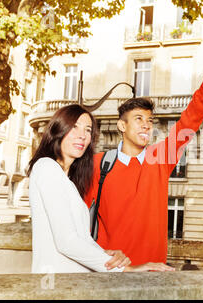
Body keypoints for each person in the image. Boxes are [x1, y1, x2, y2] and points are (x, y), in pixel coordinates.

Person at [84, 43, 203, 270]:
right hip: (111, 274)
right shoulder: (98, 164)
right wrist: (98, 252)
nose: (146, 125)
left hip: (154, 275)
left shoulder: (160, 158)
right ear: (121, 126)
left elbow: (189, 120)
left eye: (150, 120)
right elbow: (75, 219)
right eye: (138, 119)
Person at [27, 104, 132, 273]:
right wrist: (125, 270)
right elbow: (66, 242)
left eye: (88, 130)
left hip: (75, 284)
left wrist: (107, 257)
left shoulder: (68, 181)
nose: (82, 135)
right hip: (57, 286)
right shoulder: (46, 167)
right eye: (74, 127)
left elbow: (80, 239)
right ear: (58, 130)